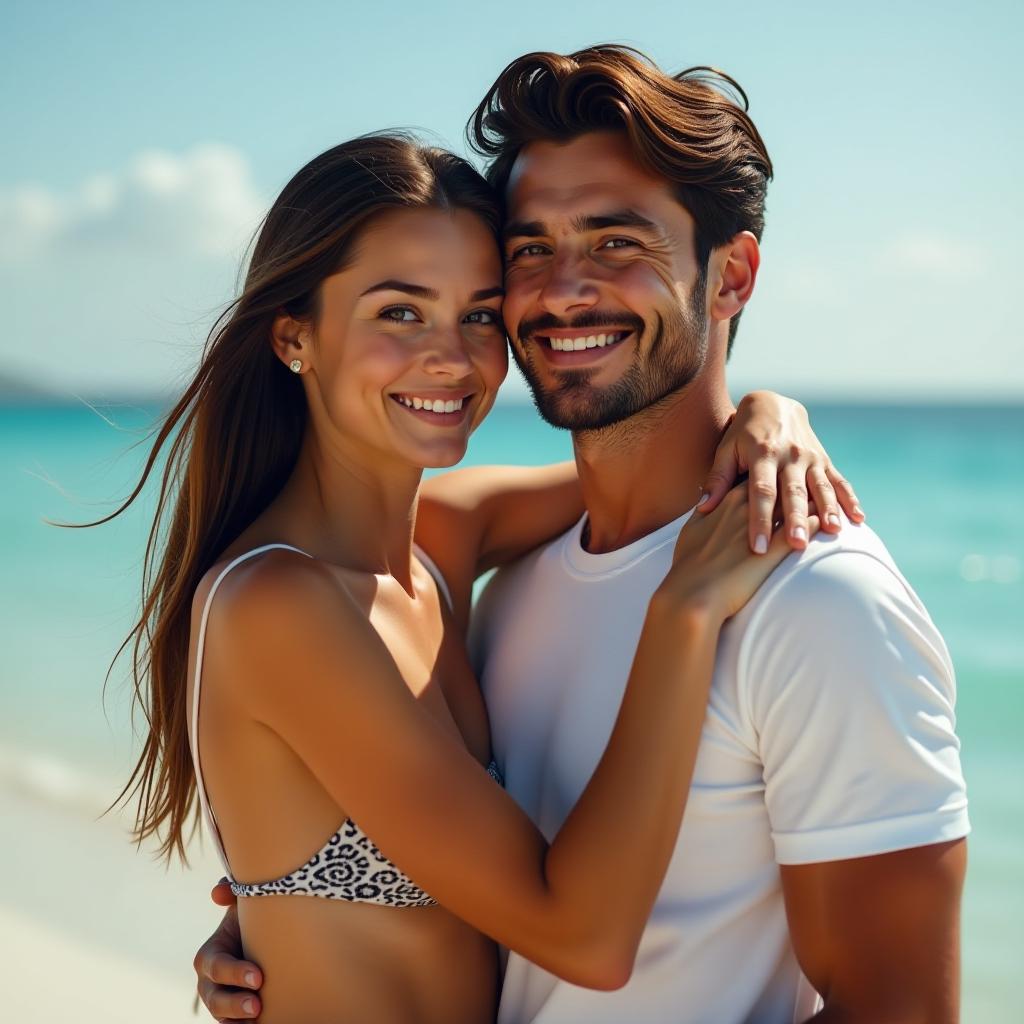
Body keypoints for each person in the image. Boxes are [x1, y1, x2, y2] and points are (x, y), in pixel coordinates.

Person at [195, 47, 969, 1023]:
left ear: (731, 276)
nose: (562, 291)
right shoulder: (487, 581)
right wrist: (283, 910)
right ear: (293, 334)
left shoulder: (816, 600)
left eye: (614, 243)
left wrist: (772, 414)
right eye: (529, 250)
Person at [100, 130, 854, 1023]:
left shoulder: (440, 545)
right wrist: (683, 613)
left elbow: (650, 458)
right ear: (295, 336)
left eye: (482, 313)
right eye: (399, 312)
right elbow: (583, 938)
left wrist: (773, 415)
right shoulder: (279, 604)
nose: (453, 357)